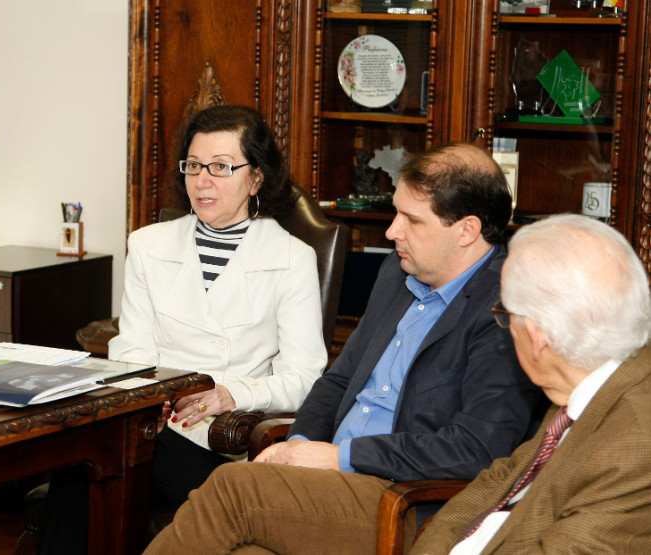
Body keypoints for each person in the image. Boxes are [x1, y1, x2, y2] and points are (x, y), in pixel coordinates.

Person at [144, 141, 543, 554]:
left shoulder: (504, 307)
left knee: (232, 488)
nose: (392, 232)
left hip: (405, 501)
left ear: (467, 230)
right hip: (335, 482)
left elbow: (475, 450)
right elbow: (337, 381)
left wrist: (340, 457)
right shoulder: (398, 271)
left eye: (412, 220)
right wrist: (298, 445)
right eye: (395, 212)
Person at [41, 105, 327, 552]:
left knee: (100, 459)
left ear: (256, 178)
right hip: (154, 420)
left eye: (221, 167)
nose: (203, 180)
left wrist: (232, 394)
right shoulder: (149, 244)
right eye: (194, 166)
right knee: (86, 465)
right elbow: (132, 345)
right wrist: (145, 396)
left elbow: (306, 378)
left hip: (225, 437)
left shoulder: (292, 258)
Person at [411, 214, 651, 554]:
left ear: (536, 335)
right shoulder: (580, 385)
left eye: (505, 313)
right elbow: (498, 481)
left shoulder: (637, 443)